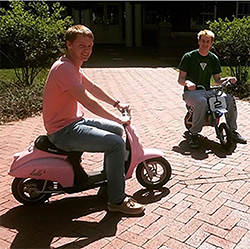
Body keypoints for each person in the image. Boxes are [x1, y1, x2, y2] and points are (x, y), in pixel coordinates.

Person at [42, 24, 145, 215]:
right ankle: (117, 200)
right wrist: (118, 117)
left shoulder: (72, 66)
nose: (87, 50)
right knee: (115, 144)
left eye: (90, 46)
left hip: (73, 122)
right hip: (63, 131)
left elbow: (93, 88)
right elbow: (88, 101)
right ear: (69, 44)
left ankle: (110, 177)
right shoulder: (64, 69)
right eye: (82, 45)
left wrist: (117, 104)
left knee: (116, 130)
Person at [178, 29, 247, 149]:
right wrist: (188, 83)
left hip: (207, 91)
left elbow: (217, 80)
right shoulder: (189, 57)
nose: (205, 44)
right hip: (191, 92)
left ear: (211, 43)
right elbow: (181, 79)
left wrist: (227, 79)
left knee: (229, 99)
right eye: (203, 41)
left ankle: (233, 131)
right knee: (201, 102)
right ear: (199, 41)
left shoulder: (213, 58)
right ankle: (194, 134)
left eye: (208, 42)